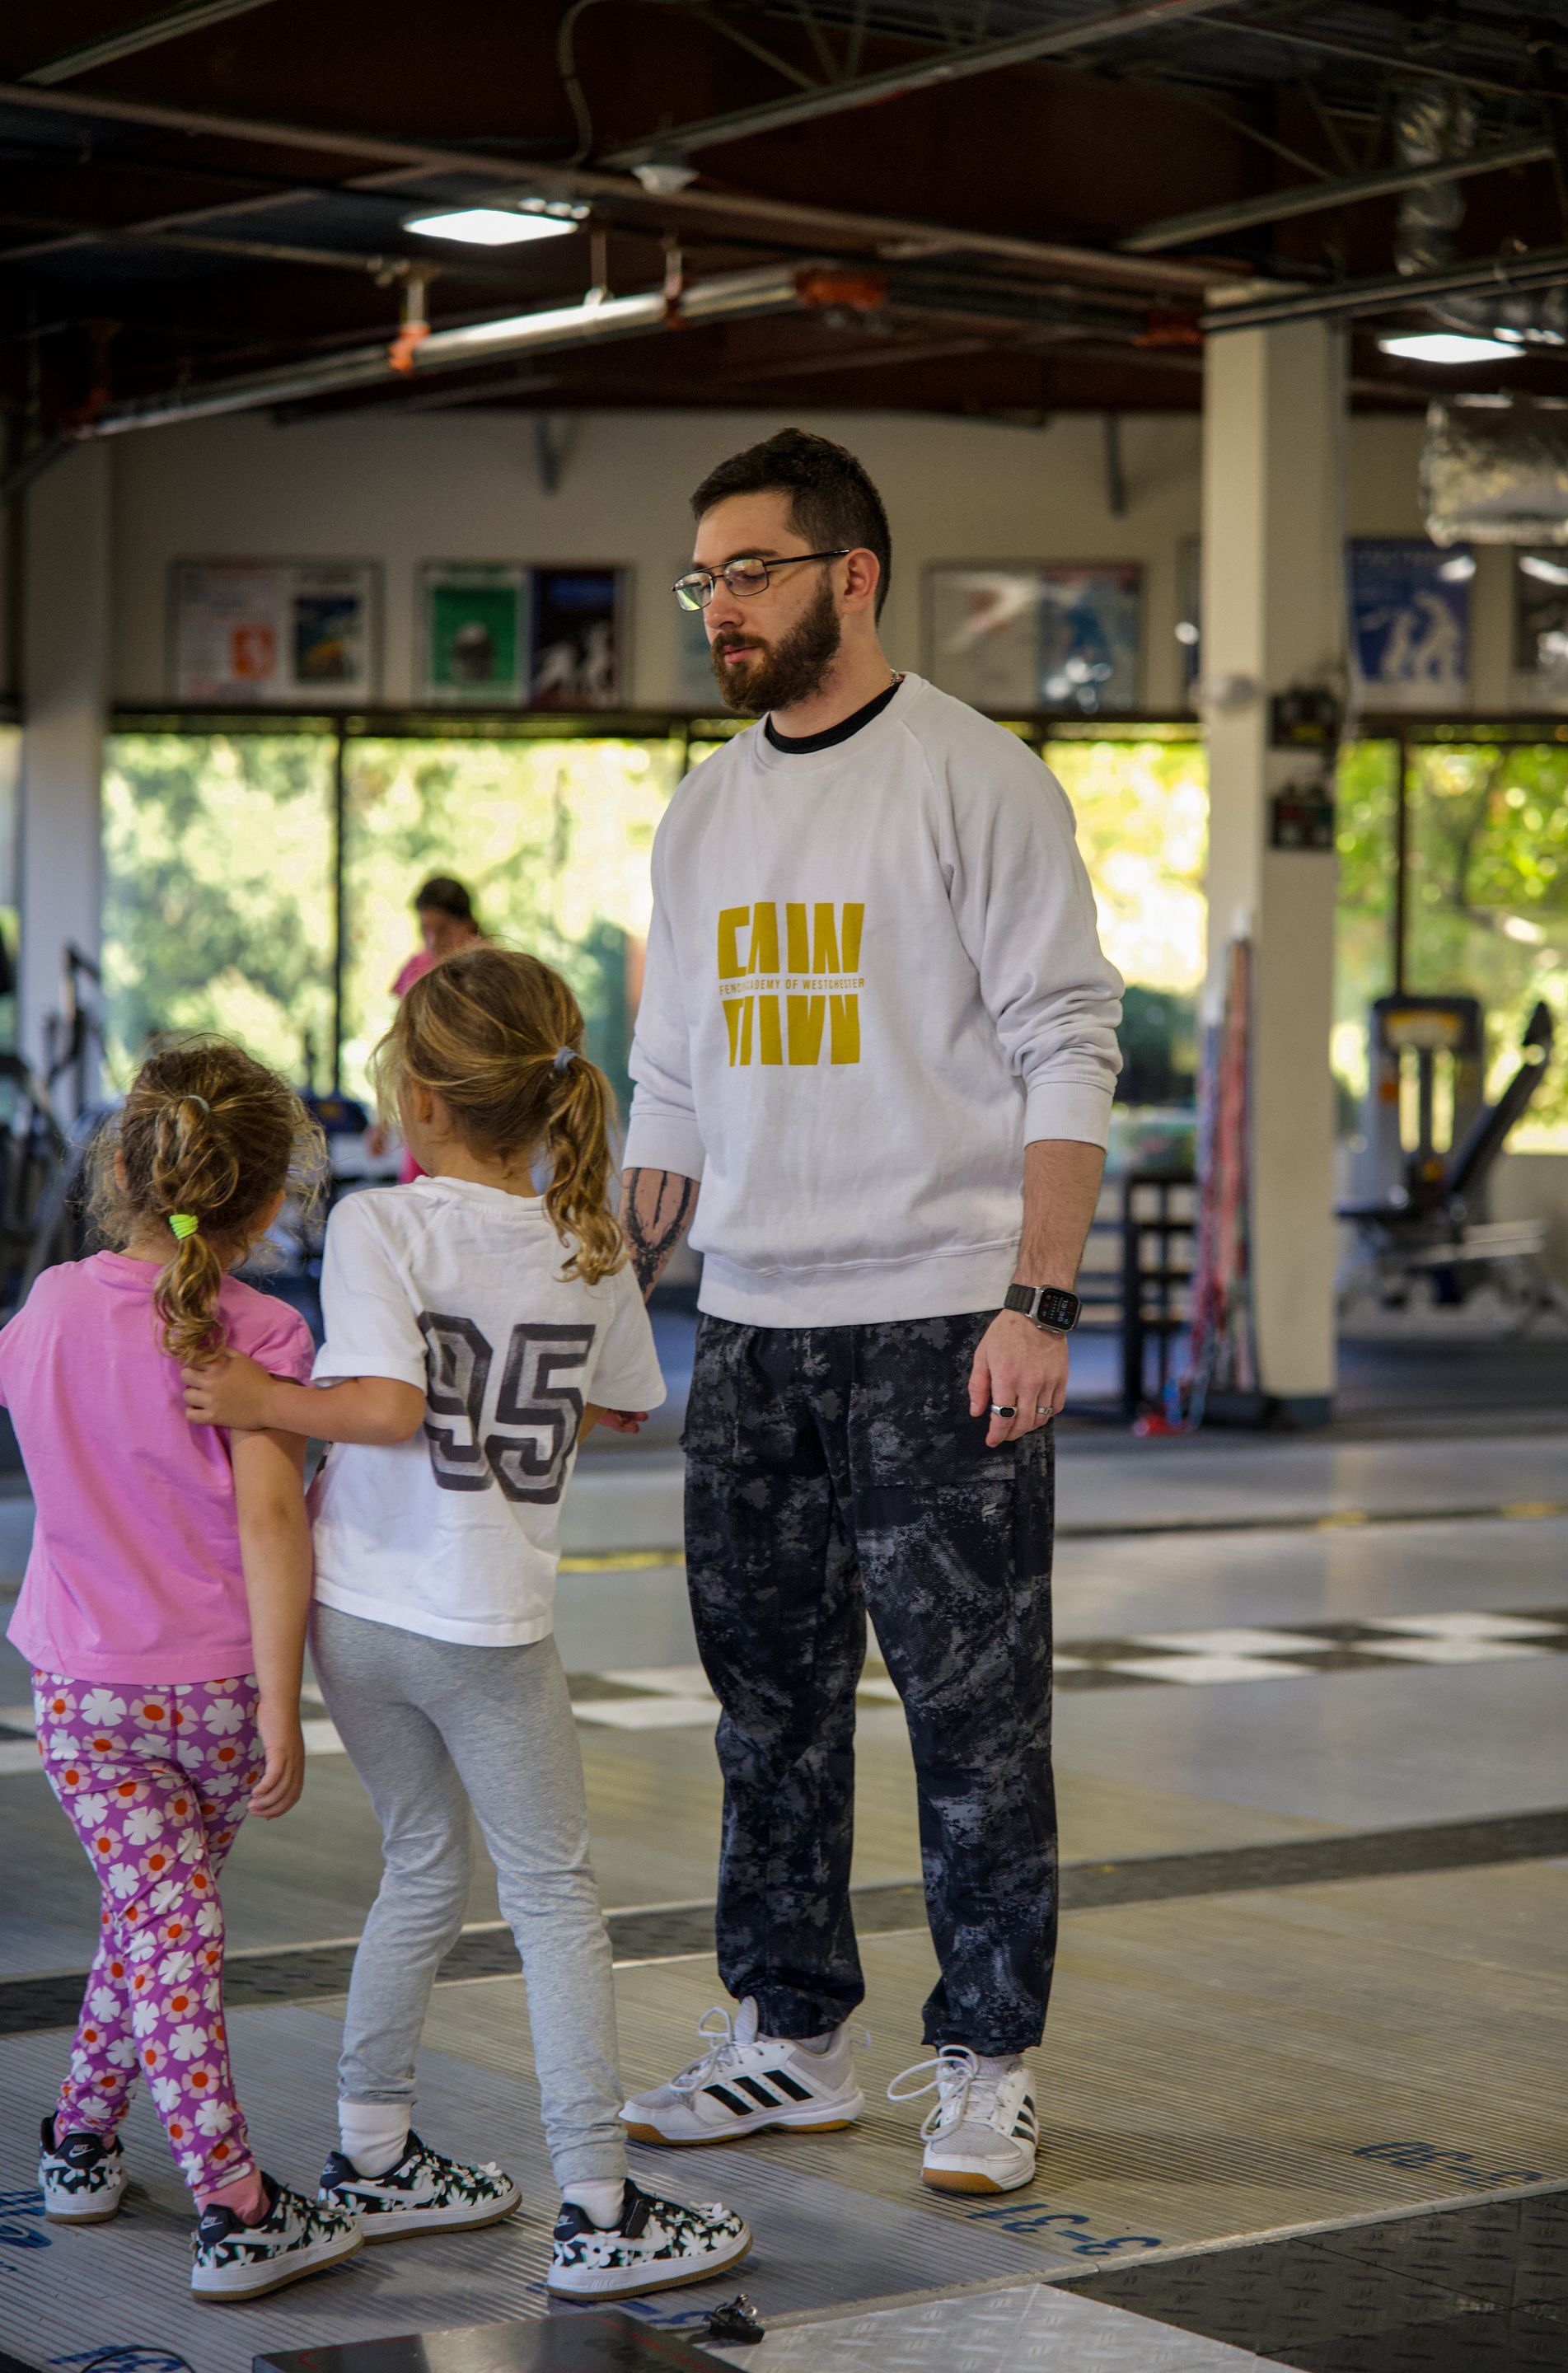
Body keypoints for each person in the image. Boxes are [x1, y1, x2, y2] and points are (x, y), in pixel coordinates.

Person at [619, 428, 1123, 2197]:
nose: (717, 607)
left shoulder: (975, 781)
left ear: (852, 575)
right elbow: (669, 1088)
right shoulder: (703, 812)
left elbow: (1070, 1040)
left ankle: (984, 2056)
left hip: (938, 1322)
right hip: (751, 1329)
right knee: (767, 1704)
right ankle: (789, 2036)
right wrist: (626, 1312)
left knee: (975, 1715)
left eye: (747, 571)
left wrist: (1037, 1298)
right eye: (703, 579)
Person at [181, 949, 751, 2300]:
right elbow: (616, 1403)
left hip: (356, 1607)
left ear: (422, 1102)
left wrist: (265, 1402)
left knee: (422, 1865)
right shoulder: (592, 1240)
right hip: (484, 1621)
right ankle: (601, 2207)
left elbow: (379, 1405)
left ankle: (373, 2149)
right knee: (552, 1897)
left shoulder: (388, 1225)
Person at [4, 1042, 363, 2303]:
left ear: (121, 1167)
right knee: (175, 1933)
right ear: (272, 1201)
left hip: (79, 1698)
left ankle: (83, 2143)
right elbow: (272, 1528)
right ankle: (238, 2205)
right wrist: (283, 1705)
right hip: (210, 1698)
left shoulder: (46, 1307)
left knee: (151, 1929)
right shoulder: (262, 1333)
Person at [373, 877, 485, 1180]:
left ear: (468, 925)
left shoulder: (490, 971)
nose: (434, 940)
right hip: (426, 1106)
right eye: (426, 930)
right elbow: (399, 1046)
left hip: (478, 1109)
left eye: (444, 929)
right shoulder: (417, 968)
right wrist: (383, 1118)